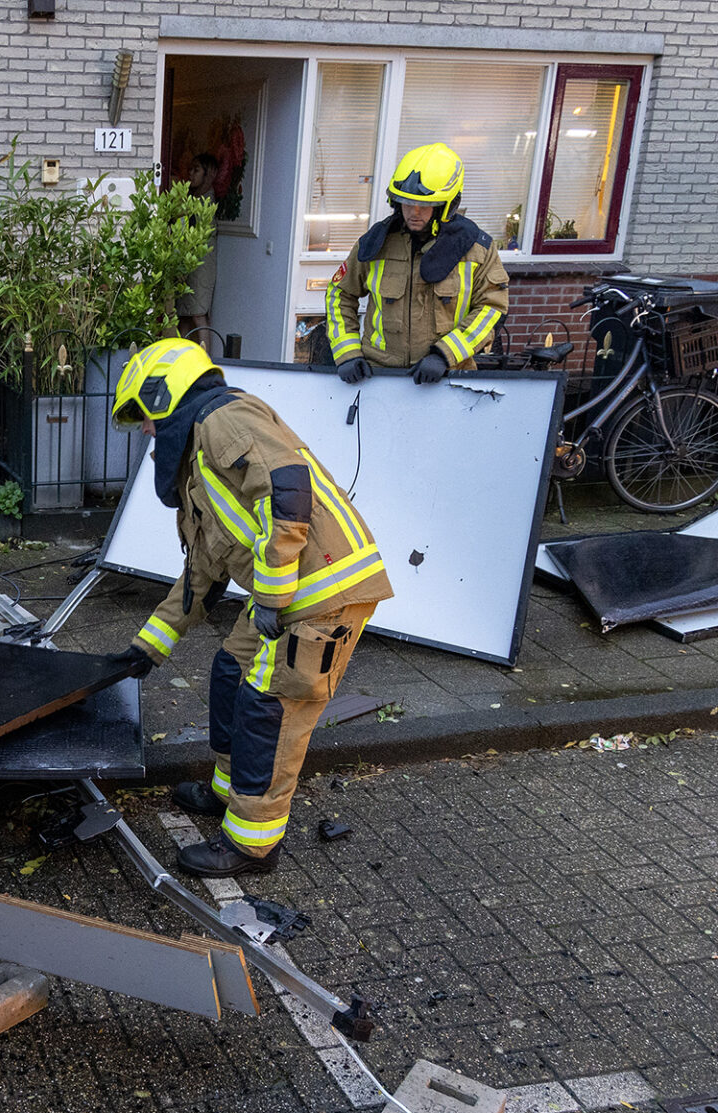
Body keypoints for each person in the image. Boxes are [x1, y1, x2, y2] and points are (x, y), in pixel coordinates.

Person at [108, 338, 392, 876]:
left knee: (270, 709)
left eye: (145, 418)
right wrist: (145, 649)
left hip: (322, 596)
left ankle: (251, 844)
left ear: (165, 396)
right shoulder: (201, 465)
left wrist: (271, 595)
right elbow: (201, 578)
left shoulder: (225, 418)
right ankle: (226, 793)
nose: (146, 432)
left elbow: (287, 489)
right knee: (229, 671)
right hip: (290, 598)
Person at [324, 143, 509, 386]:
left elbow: (492, 308)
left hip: (448, 379)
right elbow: (339, 294)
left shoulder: (476, 249)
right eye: (407, 203)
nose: (414, 212)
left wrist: (445, 354)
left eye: (425, 205)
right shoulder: (374, 245)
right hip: (379, 378)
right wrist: (347, 353)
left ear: (447, 204)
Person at [176, 153, 220, 342]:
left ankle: (206, 360)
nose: (191, 174)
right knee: (184, 314)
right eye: (190, 170)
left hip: (200, 265)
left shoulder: (207, 201)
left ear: (207, 174)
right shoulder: (192, 198)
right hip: (188, 262)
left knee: (198, 314)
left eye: (197, 170)